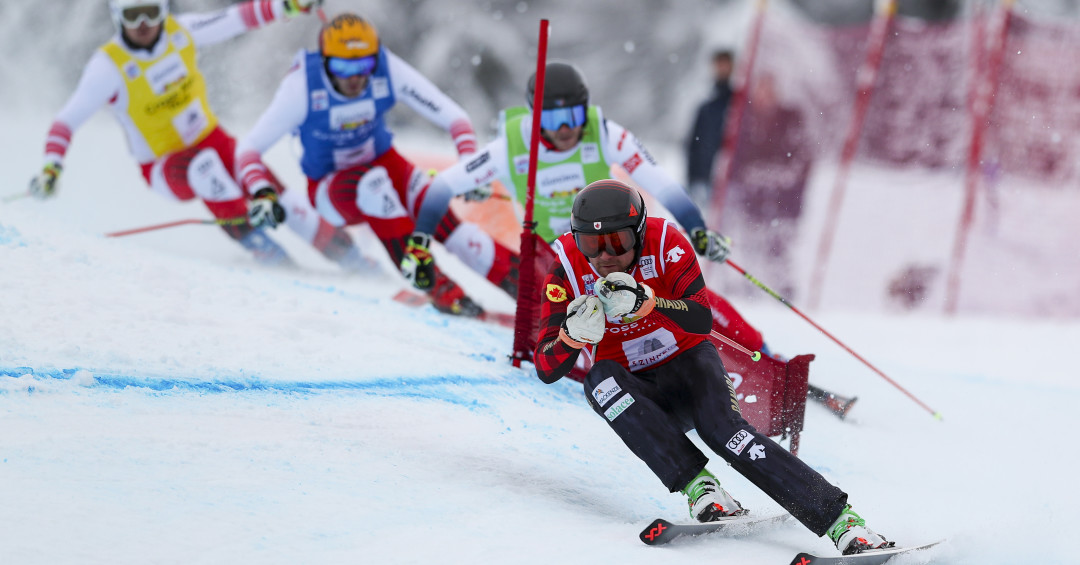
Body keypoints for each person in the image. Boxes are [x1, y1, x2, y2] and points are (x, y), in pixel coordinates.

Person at [533, 179, 892, 556]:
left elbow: (702, 319)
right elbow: (545, 366)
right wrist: (570, 339)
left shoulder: (666, 242)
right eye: (591, 244)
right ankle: (700, 488)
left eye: (617, 242)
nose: (604, 255)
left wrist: (651, 303)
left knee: (725, 434)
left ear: (638, 234)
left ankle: (844, 523)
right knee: (599, 381)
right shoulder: (566, 270)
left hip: (688, 366)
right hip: (641, 396)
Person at [28, 0, 367, 269]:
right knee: (206, 167)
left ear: (164, 11)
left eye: (151, 12)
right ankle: (268, 253)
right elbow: (66, 121)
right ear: (119, 18)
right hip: (164, 166)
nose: (144, 25)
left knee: (271, 191)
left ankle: (353, 260)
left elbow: (236, 19)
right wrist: (51, 167)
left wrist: (286, 6)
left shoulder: (182, 32)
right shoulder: (108, 66)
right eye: (134, 16)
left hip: (213, 140)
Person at [235, 13, 484, 315]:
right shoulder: (301, 87)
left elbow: (454, 117)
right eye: (343, 67)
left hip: (381, 166)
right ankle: (443, 292)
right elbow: (248, 150)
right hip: (332, 191)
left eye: (364, 66)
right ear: (326, 62)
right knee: (375, 186)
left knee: (430, 199)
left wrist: (470, 163)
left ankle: (522, 290)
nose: (355, 77)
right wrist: (261, 190)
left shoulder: (385, 67)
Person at [686, 49, 735, 208]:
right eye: (719, 64)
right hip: (706, 178)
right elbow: (694, 143)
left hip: (730, 178)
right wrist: (692, 178)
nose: (722, 68)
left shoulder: (738, 104)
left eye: (725, 64)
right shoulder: (706, 106)